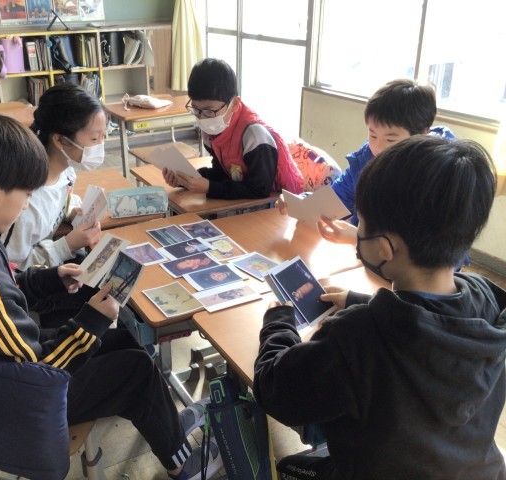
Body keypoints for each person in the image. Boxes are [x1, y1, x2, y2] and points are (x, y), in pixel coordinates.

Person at [0, 114, 222, 480]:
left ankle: (165, 421)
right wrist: (91, 320)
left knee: (123, 340)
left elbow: (3, 288)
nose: (27, 205)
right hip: (8, 399)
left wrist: (47, 280)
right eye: (26, 195)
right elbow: (40, 370)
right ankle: (182, 465)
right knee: (135, 370)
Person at [254, 135, 506, 480]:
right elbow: (429, 325)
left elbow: (275, 389)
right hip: (474, 470)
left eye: (361, 222)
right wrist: (360, 301)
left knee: (288, 465)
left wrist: (278, 321)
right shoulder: (487, 299)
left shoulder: (357, 336)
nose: (356, 231)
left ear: (384, 249)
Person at [277, 78, 455, 241]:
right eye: (373, 135)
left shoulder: (440, 172)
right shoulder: (366, 157)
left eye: (390, 140)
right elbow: (339, 196)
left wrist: (360, 240)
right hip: (366, 256)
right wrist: (301, 203)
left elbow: (425, 246)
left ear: (421, 134)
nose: (378, 148)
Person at [162, 58, 304, 199]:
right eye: (196, 109)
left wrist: (210, 188)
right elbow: (222, 173)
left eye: (209, 111)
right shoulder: (212, 130)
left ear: (234, 104)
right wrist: (186, 179)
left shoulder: (254, 137)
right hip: (249, 198)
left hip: (282, 202)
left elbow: (260, 189)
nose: (202, 118)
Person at [3, 84, 103, 272]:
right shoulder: (25, 203)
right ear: (60, 140)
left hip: (51, 266)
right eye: (94, 139)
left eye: (104, 136)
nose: (101, 146)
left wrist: (70, 211)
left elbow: (60, 198)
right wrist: (67, 245)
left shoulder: (65, 171)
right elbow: (11, 268)